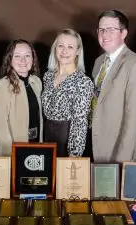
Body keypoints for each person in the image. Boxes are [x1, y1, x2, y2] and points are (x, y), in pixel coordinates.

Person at [90, 10, 136, 163]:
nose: (104, 34)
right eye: (101, 29)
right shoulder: (98, 62)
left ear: (123, 33)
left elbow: (134, 121)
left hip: (118, 153)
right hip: (94, 147)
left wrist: (120, 162)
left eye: (111, 29)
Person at [41, 28, 94, 157]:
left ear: (78, 51)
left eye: (70, 47)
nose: (64, 51)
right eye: (60, 46)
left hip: (66, 142)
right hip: (47, 139)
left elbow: (80, 122)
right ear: (55, 48)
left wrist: (74, 153)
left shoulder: (83, 82)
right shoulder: (48, 76)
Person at [0, 39, 43, 156]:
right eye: (17, 56)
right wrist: (10, 156)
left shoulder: (36, 83)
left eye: (27, 55)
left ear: (33, 59)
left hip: (36, 146)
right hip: (14, 152)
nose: (23, 60)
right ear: (10, 59)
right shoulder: (2, 86)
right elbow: (0, 129)